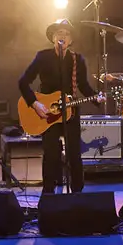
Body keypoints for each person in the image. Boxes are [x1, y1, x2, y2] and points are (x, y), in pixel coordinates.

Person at [18, 19, 104, 194]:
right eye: (59, 33)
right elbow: (23, 82)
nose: (62, 36)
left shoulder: (77, 59)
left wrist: (97, 98)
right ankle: (48, 193)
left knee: (74, 154)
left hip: (70, 111)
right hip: (47, 112)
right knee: (51, 154)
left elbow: (83, 85)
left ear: (71, 40)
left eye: (66, 34)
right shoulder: (42, 56)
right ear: (52, 38)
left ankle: (77, 194)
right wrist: (35, 104)